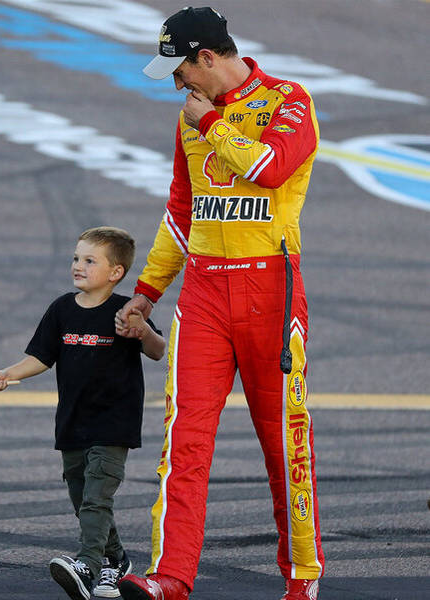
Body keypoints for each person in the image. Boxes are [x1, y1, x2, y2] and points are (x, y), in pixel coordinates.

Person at [113, 7, 324, 600]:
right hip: (203, 294)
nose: (178, 86)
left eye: (180, 71)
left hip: (270, 294)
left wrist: (213, 127)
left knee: (285, 439)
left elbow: (273, 169)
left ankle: (302, 579)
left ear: (207, 57)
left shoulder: (289, 100)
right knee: (184, 438)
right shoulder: (189, 120)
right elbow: (181, 215)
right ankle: (170, 576)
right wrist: (146, 294)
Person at [0, 226, 165, 600]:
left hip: (113, 425)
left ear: (115, 272)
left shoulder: (125, 311)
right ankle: (117, 562)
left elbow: (158, 349)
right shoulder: (62, 309)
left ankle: (88, 565)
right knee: (84, 500)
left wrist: (143, 331)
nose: (78, 266)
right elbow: (40, 357)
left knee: (98, 498)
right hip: (72, 423)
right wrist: (8, 373)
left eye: (89, 260)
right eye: (75, 258)